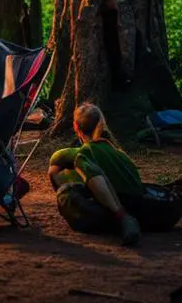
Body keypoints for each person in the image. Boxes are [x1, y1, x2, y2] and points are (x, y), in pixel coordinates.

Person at [48, 103, 143, 246]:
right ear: (101, 124)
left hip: (115, 210)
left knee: (65, 190)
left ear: (75, 126)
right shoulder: (120, 154)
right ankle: (122, 217)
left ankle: (120, 216)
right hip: (137, 204)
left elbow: (54, 168)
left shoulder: (82, 153)